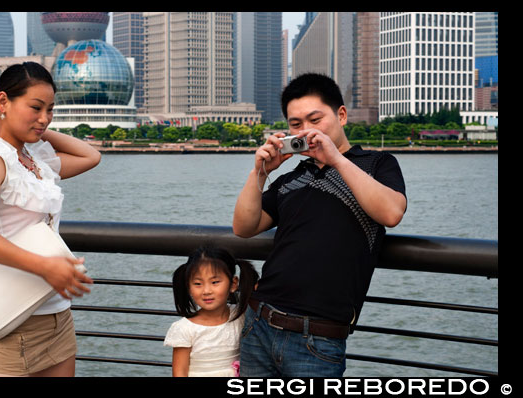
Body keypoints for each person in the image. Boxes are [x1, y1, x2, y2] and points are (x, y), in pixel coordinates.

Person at [232, 73, 407, 377]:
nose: (306, 131)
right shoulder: (292, 177)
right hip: (258, 323)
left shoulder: (377, 164)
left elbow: (391, 213)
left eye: (316, 119)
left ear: (341, 115)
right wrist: (259, 172)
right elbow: (244, 227)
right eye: (296, 124)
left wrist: (336, 159)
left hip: (319, 336)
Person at [0, 62, 101, 377]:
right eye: (35, 107)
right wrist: (46, 266)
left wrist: (35, 125)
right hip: (11, 321)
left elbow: (91, 156)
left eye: (50, 110)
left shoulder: (34, 161)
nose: (45, 117)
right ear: (3, 101)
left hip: (57, 316)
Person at [164, 246, 259, 377]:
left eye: (215, 282)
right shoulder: (184, 328)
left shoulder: (241, 315)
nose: (206, 291)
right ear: (188, 287)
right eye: (198, 284)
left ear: (233, 284)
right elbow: (179, 372)